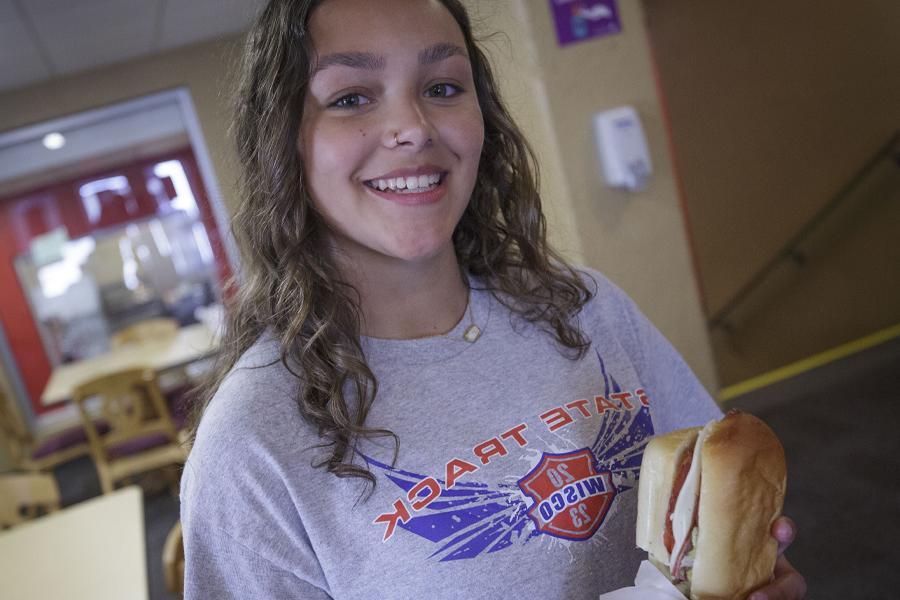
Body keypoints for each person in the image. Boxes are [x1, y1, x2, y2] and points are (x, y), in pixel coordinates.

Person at [180, 1, 806, 598]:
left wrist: (753, 575)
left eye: (443, 87)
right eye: (350, 98)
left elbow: (718, 513)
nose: (413, 128)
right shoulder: (251, 441)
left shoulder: (585, 306)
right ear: (284, 144)